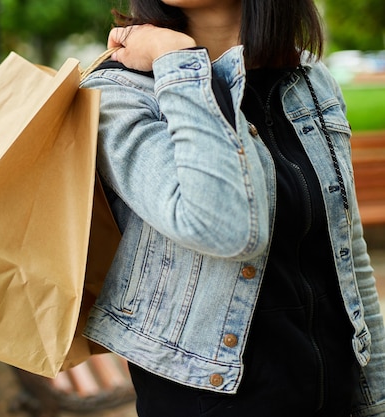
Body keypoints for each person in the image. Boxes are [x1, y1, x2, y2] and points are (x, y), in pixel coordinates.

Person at [79, 0, 385, 416]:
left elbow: (347, 252)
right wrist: (177, 60)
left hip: (333, 393)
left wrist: (376, 397)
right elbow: (223, 227)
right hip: (210, 400)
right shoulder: (120, 91)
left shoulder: (310, 81)